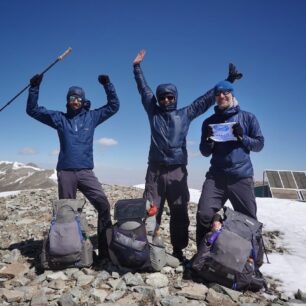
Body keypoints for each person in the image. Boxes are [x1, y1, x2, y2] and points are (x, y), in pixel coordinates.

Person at [133, 50, 239, 262]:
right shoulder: (153, 112)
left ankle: (178, 249)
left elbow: (206, 100)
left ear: (175, 97)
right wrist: (136, 68)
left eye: (170, 96)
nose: (165, 100)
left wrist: (226, 82)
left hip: (177, 170)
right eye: (162, 96)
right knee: (151, 209)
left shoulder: (185, 113)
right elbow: (144, 90)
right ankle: (150, 244)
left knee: (180, 211)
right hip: (154, 170)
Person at [26, 73, 120, 260]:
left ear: (83, 101)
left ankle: (104, 249)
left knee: (103, 205)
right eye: (71, 98)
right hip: (66, 172)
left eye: (78, 98)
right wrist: (34, 88)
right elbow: (33, 110)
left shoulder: (92, 117)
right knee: (67, 213)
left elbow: (113, 106)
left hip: (86, 172)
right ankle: (70, 251)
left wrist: (107, 85)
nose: (75, 101)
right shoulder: (59, 118)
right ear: (67, 101)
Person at [196, 76, 264, 248]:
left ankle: (252, 262)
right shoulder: (209, 122)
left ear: (232, 95)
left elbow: (259, 145)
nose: (222, 96)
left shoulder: (248, 118)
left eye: (226, 92)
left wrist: (243, 137)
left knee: (248, 220)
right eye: (218, 94)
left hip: (240, 177)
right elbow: (204, 152)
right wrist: (208, 141)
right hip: (216, 177)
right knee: (204, 214)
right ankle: (202, 257)